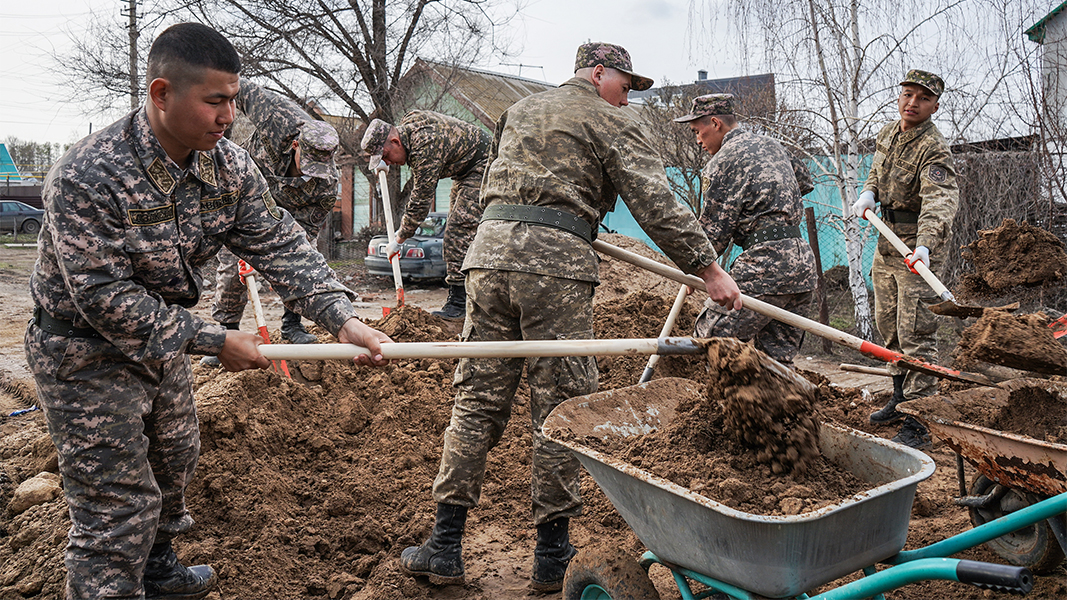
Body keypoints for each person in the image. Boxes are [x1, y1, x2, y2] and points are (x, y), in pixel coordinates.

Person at [25, 23, 391, 599]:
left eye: (234, 100)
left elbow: (279, 243)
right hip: (85, 351)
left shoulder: (230, 167)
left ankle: (159, 569)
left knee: (174, 461)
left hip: (164, 339)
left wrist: (338, 315)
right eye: (214, 101)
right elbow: (102, 297)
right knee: (115, 507)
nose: (227, 116)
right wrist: (215, 339)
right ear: (161, 93)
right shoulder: (87, 174)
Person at [399, 42, 741, 592]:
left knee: (477, 399)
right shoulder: (609, 120)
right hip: (554, 267)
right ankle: (552, 557)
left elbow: (505, 178)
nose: (627, 100)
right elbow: (655, 200)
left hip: (486, 257)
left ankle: (443, 546)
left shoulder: (520, 110)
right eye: (625, 87)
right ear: (598, 73)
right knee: (559, 407)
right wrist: (709, 270)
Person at [851, 69, 958, 449]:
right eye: (908, 94)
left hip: (917, 251)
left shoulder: (934, 147)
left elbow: (940, 200)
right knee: (889, 326)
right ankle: (900, 396)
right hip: (887, 241)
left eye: (923, 98)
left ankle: (921, 418)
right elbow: (877, 174)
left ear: (935, 105)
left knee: (916, 332)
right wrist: (868, 192)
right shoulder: (887, 133)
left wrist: (926, 245)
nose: (913, 103)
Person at [202, 80, 341, 362]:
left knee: (302, 259)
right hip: (244, 189)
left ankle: (292, 325)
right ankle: (225, 331)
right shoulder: (277, 115)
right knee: (233, 266)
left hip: (288, 211)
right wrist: (219, 136)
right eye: (309, 162)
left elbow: (304, 236)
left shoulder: (327, 186)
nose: (313, 173)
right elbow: (236, 88)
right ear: (295, 145)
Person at [675, 94, 818, 367]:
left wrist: (694, 266)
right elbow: (804, 182)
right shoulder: (774, 145)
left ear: (715, 123)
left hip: (764, 265)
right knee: (776, 362)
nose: (697, 140)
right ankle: (778, 408)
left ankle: (723, 408)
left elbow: (715, 232)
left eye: (697, 131)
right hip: (801, 263)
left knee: (711, 340)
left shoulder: (722, 162)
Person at [360, 111, 491, 319]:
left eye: (386, 156)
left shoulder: (425, 147)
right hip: (463, 170)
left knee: (458, 230)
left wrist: (399, 238)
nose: (389, 162)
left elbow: (421, 200)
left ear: (396, 141)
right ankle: (469, 294)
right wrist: (382, 158)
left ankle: (459, 304)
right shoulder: (408, 126)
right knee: (457, 232)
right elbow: (415, 116)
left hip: (483, 164)